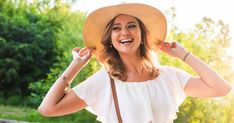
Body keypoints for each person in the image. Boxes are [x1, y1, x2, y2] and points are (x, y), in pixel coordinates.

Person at [38, 3, 232, 123]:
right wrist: (76, 66)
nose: (124, 32)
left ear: (141, 36)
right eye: (116, 28)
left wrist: (184, 55)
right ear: (111, 39)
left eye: (132, 26)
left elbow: (221, 88)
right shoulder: (104, 81)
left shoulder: (169, 76)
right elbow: (48, 109)